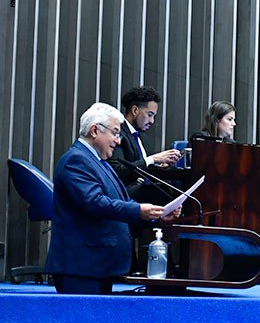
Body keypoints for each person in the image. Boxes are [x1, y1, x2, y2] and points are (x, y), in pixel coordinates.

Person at [46, 102, 180, 294]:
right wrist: (139, 210)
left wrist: (156, 216)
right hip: (81, 267)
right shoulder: (76, 160)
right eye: (115, 133)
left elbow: (123, 202)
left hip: (97, 266)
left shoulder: (100, 162)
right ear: (94, 131)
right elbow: (94, 202)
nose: (118, 141)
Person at [108, 86, 181, 202]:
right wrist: (152, 159)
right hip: (124, 192)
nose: (152, 121)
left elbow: (145, 164)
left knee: (178, 191)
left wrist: (159, 165)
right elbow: (119, 171)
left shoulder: (142, 136)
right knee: (164, 193)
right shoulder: (117, 133)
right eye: (149, 115)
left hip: (143, 189)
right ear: (135, 110)